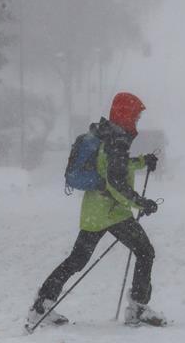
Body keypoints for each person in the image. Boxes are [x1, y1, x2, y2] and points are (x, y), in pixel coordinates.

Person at [28, 91, 165, 328]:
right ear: (126, 114)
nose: (137, 121)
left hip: (95, 211)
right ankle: (138, 308)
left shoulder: (108, 135)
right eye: (136, 115)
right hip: (112, 212)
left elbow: (111, 170)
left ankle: (42, 305)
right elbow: (115, 182)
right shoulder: (117, 140)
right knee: (145, 251)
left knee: (77, 260)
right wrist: (141, 202)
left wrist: (142, 162)